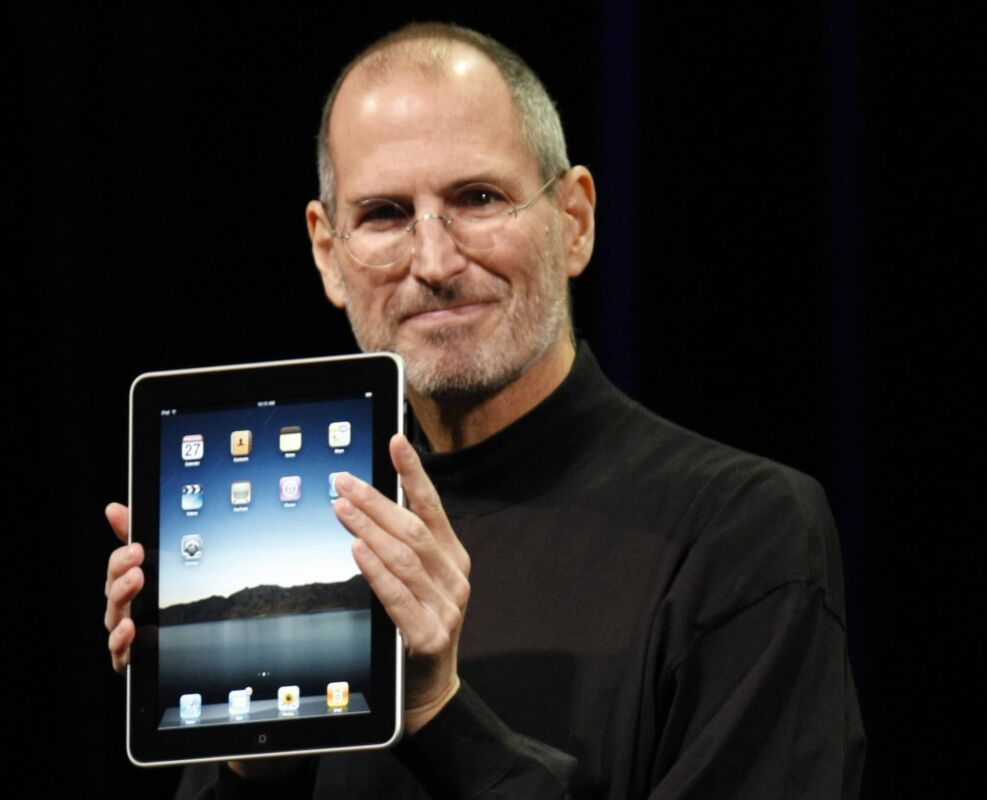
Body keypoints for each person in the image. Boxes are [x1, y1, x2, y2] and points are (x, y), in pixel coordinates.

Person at [104, 22, 865, 798]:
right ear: (328, 255)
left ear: (573, 221)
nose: (433, 263)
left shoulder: (742, 530)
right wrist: (252, 764)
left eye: (477, 199)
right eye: (384, 215)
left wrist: (436, 710)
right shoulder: (319, 537)